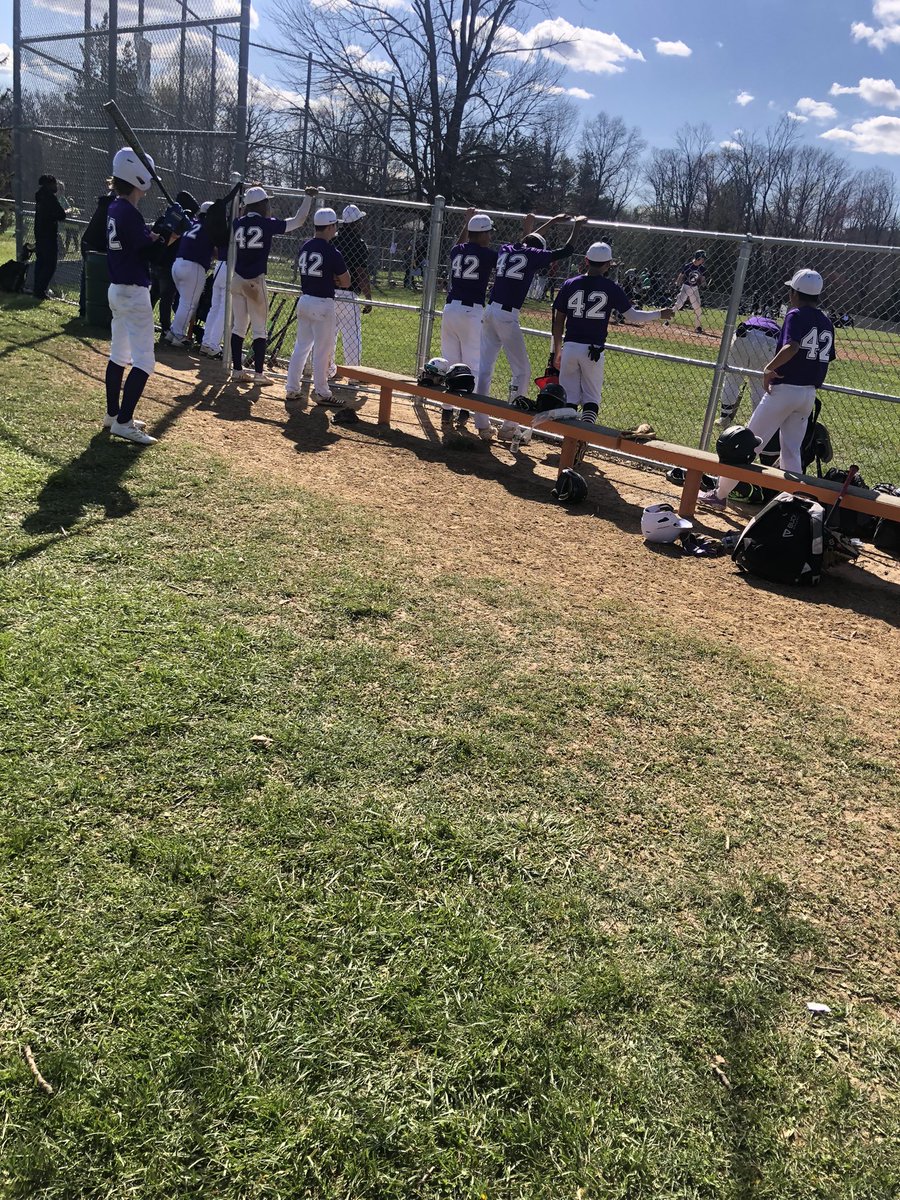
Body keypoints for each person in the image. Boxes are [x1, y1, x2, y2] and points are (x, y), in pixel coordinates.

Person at [699, 269, 835, 511]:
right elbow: (825, 357)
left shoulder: (795, 314)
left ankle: (719, 495)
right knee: (791, 451)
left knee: (745, 443)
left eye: (790, 291)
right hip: (807, 395)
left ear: (795, 293)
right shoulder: (826, 321)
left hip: (785, 390)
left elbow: (792, 347)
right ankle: (796, 503)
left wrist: (768, 368)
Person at [474, 212, 586, 442]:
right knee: (522, 370)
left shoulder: (506, 248)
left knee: (485, 368)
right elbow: (566, 251)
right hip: (506, 316)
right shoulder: (532, 255)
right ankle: (508, 427)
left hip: (490, 311)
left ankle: (482, 424)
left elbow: (527, 242)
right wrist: (577, 226)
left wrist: (550, 222)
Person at [551, 242, 674, 424]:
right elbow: (632, 316)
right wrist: (659, 313)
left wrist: (558, 349)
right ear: (608, 265)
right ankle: (582, 439)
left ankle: (568, 440)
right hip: (593, 349)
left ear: (586, 261)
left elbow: (558, 320)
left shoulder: (570, 283)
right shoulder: (611, 287)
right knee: (591, 399)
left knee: (569, 396)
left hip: (570, 346)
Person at [104, 146, 174, 445]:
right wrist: (172, 237)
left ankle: (113, 415)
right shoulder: (128, 213)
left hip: (118, 289)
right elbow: (153, 256)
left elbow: (140, 243)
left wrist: (156, 235)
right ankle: (124, 422)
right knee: (144, 360)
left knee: (119, 355)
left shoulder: (116, 207)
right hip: (133, 291)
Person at [230, 184, 317, 383]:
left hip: (237, 278)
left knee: (238, 327)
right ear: (261, 205)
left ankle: (237, 369)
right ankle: (259, 374)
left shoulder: (237, 223)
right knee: (259, 329)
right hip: (254, 280)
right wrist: (308, 198)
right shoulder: (267, 223)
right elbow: (299, 220)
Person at [285, 207, 351, 405]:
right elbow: (346, 281)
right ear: (330, 227)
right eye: (334, 225)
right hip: (323, 303)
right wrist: (335, 279)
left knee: (301, 347)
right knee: (323, 350)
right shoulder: (332, 251)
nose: (335, 229)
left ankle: (292, 388)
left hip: (305, 301)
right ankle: (322, 392)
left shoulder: (305, 246)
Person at [440, 208, 498, 429]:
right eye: (488, 233)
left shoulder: (458, 250)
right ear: (481, 234)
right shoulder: (486, 254)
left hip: (450, 310)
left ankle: (446, 411)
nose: (490, 237)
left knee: (451, 360)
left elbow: (460, 243)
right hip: (471, 312)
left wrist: (467, 223)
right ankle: (465, 410)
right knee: (473, 363)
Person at [331, 204, 373, 391]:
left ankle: (326, 370)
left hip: (330, 294)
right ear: (355, 223)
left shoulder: (333, 240)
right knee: (352, 335)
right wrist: (368, 297)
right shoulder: (358, 243)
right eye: (360, 221)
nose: (361, 224)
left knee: (329, 335)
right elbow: (361, 272)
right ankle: (354, 375)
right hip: (349, 294)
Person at [166, 200, 214, 347]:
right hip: (193, 267)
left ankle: (172, 332)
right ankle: (177, 334)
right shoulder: (209, 227)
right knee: (188, 304)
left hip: (177, 264)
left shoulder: (192, 223)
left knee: (184, 303)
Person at [720, 314, 780, 424]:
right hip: (769, 339)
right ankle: (756, 422)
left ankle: (724, 417)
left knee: (732, 379)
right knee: (759, 385)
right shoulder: (777, 326)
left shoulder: (752, 319)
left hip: (743, 335)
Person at [80, 183, 115, 318]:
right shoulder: (111, 206)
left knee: (89, 277)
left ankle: (87, 309)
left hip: (94, 243)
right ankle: (86, 309)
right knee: (89, 278)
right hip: (92, 244)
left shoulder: (108, 204)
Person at [32, 174, 70, 300]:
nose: (56, 187)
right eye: (54, 184)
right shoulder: (49, 198)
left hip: (40, 233)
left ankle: (37, 289)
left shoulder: (40, 196)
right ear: (49, 184)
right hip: (48, 235)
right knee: (50, 264)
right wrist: (66, 212)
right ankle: (40, 290)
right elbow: (60, 214)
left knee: (41, 262)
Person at [667, 250, 707, 334]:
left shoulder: (702, 268)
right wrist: (677, 284)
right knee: (678, 304)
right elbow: (681, 276)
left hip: (694, 288)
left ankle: (698, 327)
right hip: (686, 287)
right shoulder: (688, 266)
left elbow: (702, 278)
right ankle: (668, 320)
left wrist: (704, 285)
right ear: (698, 258)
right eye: (702, 259)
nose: (703, 261)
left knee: (698, 308)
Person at [199, 243, 228, 357]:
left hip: (219, 266)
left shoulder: (226, 227)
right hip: (229, 266)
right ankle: (213, 346)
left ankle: (206, 343)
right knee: (223, 309)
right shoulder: (235, 227)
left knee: (215, 308)